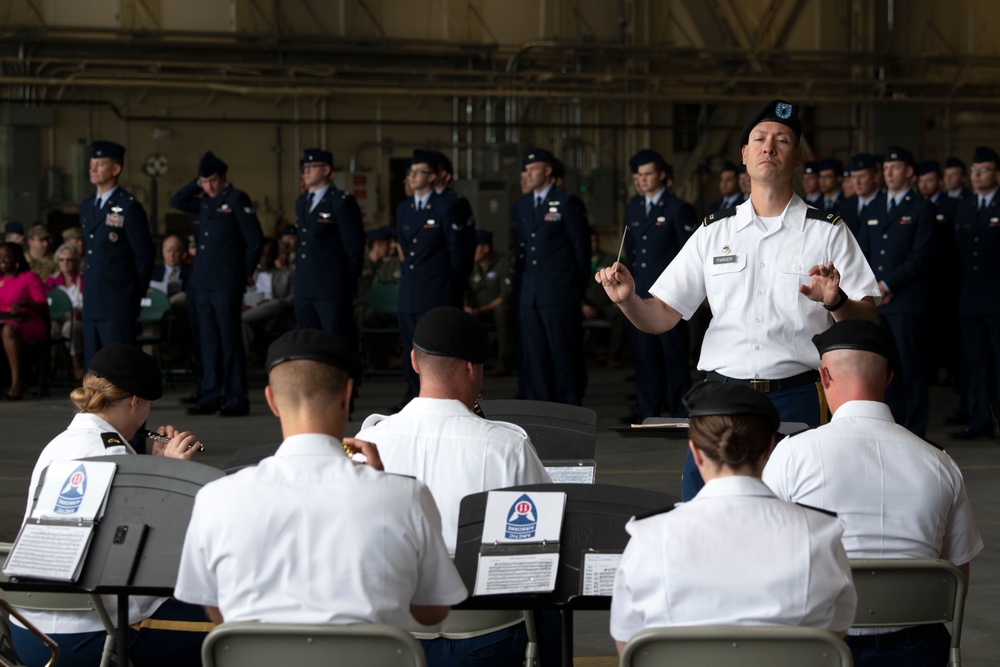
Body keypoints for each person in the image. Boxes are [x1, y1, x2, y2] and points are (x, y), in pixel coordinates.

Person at [596, 99, 880, 501]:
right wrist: (628, 301)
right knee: (705, 516)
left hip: (797, 398)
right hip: (722, 399)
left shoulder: (827, 233)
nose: (769, 147)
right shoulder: (714, 232)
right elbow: (661, 315)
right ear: (744, 155)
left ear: (797, 156)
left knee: (799, 515)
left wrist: (837, 302)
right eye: (759, 139)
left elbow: (869, 321)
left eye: (782, 140)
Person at [174, 329, 467, 631]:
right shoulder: (405, 496)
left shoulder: (215, 498)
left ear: (272, 401)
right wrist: (382, 488)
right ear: (347, 394)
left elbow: (217, 609)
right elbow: (431, 612)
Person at [762, 319, 984, 667]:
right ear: (889, 377)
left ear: (825, 377)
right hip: (920, 651)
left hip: (822, 650)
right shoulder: (940, 463)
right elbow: (957, 580)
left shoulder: (791, 455)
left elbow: (767, 563)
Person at [354, 307, 549, 667]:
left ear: (414, 361)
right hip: (491, 636)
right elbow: (545, 543)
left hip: (392, 640)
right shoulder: (509, 447)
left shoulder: (367, 443)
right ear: (473, 368)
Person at [610, 382, 856, 652]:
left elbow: (629, 646)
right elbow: (834, 637)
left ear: (695, 453)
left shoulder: (649, 537)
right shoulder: (821, 532)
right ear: (768, 450)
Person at [10, 343, 207, 667]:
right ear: (134, 401)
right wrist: (173, 473)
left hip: (27, 629)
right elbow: (153, 553)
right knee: (233, 629)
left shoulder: (58, 445)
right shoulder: (114, 455)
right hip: (86, 636)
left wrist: (152, 467)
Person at [170, 151, 263, 417]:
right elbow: (176, 200)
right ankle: (210, 395)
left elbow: (255, 240)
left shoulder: (236, 199)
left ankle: (235, 398)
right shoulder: (204, 202)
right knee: (207, 342)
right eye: (204, 182)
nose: (209, 186)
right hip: (201, 282)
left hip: (226, 282)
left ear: (222, 178)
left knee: (229, 341)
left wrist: (245, 272)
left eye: (212, 180)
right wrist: (196, 183)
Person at [856, 146, 934, 437]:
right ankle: (892, 427)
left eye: (896, 167)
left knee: (911, 369)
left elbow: (922, 255)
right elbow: (862, 252)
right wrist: (870, 288)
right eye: (886, 169)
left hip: (906, 302)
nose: (889, 173)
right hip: (877, 303)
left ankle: (914, 430)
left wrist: (886, 285)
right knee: (882, 371)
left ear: (909, 172)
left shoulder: (921, 207)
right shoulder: (875, 207)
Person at [396, 150, 476, 406]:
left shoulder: (447, 206)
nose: (412, 176)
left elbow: (458, 254)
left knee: (437, 350)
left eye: (418, 172)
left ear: (432, 177)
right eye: (410, 172)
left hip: (437, 289)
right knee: (411, 350)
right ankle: (414, 396)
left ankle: (442, 397)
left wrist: (454, 288)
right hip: (410, 290)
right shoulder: (404, 208)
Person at [512, 148, 590, 405]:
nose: (528, 173)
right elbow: (521, 252)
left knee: (563, 354)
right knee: (534, 355)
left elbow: (581, 249)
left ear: (547, 171)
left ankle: (568, 407)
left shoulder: (566, 202)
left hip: (559, 292)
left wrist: (577, 289)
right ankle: (540, 407)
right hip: (530, 293)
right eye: (526, 169)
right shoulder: (523, 205)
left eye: (533, 169)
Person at [623, 149, 696, 421]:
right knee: (644, 355)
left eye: (647, 174)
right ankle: (647, 409)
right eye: (638, 175)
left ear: (662, 175)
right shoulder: (633, 208)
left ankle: (679, 409)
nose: (641, 180)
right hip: (640, 294)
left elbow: (688, 255)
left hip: (670, 296)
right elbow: (631, 251)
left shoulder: (678, 209)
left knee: (673, 354)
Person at [79, 140, 155, 369]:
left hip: (118, 300)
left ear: (116, 169)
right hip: (92, 298)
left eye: (100, 164)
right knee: (93, 368)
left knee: (119, 367)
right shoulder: (87, 206)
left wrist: (133, 294)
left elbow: (144, 255)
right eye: (92, 164)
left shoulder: (128, 206)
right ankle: (96, 407)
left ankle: (125, 406)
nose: (93, 169)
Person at [951, 146, 1000, 439]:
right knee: (977, 365)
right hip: (970, 299)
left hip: (997, 300)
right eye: (974, 170)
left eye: (983, 170)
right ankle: (980, 419)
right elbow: (960, 253)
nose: (976, 175)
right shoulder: (966, 206)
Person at [292, 148, 365, 344]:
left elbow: (354, 246)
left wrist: (346, 282)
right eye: (304, 167)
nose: (306, 172)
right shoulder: (302, 202)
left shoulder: (340, 201)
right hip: (305, 285)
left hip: (331, 287)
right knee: (309, 343)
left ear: (326, 170)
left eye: (311, 167)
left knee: (336, 342)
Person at [0, 242, 47, 399]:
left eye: (6, 256)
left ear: (17, 258)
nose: (2, 260)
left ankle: (16, 382)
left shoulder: (29, 277)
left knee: (8, 330)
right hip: (3, 320)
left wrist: (25, 303)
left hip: (27, 322)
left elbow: (42, 305)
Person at [464, 230, 515, 376]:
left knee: (502, 311)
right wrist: (467, 306)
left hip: (495, 310)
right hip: (476, 311)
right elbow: (465, 290)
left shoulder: (503, 263)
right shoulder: (472, 266)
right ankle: (468, 364)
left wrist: (481, 310)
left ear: (485, 248)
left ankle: (505, 361)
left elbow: (505, 295)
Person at [241, 237, 294, 359]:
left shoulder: (287, 275)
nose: (265, 258)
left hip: (273, 318)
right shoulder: (248, 275)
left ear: (275, 255)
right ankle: (241, 365)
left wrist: (267, 303)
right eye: (263, 254)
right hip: (251, 315)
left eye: (269, 255)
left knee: (276, 304)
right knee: (243, 325)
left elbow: (292, 299)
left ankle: (238, 318)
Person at [583, 228, 627, 367]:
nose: (593, 244)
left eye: (596, 240)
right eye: (590, 241)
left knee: (619, 314)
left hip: (607, 303)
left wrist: (619, 301)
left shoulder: (610, 259)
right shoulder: (577, 260)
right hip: (584, 304)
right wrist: (582, 305)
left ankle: (613, 356)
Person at [44, 242, 85, 380]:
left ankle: (76, 364)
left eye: (69, 260)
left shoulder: (83, 279)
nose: (65, 263)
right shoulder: (51, 281)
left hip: (78, 319)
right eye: (61, 260)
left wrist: (75, 313)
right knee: (52, 329)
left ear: (76, 261)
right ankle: (52, 362)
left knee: (69, 328)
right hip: (56, 319)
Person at [838, 153, 883, 241]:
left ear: (874, 177)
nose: (857, 182)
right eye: (854, 177)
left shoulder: (885, 203)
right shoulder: (846, 205)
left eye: (862, 176)